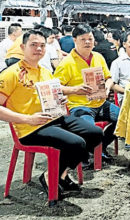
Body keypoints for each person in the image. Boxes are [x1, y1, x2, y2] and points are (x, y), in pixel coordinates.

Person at [0, 30, 103, 201]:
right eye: (33, 45)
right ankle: (51, 177)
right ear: (22, 47)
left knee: (95, 133)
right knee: (77, 143)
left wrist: (60, 98)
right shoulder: (11, 73)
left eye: (42, 45)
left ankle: (59, 174)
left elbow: (55, 92)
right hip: (30, 128)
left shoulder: (45, 71)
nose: (38, 49)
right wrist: (27, 119)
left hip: (54, 118)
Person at [53, 23, 119, 163]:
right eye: (83, 39)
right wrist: (75, 90)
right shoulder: (67, 63)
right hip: (79, 105)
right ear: (74, 40)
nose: (88, 42)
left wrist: (107, 88)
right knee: (90, 130)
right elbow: (56, 87)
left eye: (90, 38)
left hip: (100, 102)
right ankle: (89, 152)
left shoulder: (98, 57)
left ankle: (99, 148)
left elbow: (109, 78)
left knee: (124, 119)